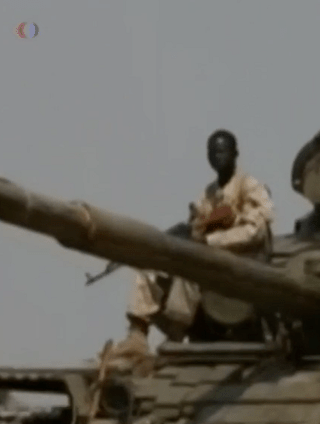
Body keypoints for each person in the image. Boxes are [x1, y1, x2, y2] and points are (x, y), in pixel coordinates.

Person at [109, 129, 274, 368]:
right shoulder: (209, 193)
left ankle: (176, 333)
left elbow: (254, 231)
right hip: (211, 264)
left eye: (222, 151)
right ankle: (137, 334)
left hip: (245, 266)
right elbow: (197, 225)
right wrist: (187, 235)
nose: (217, 156)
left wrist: (210, 241)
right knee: (149, 265)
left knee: (191, 269)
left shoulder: (249, 186)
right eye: (212, 152)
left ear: (235, 153)